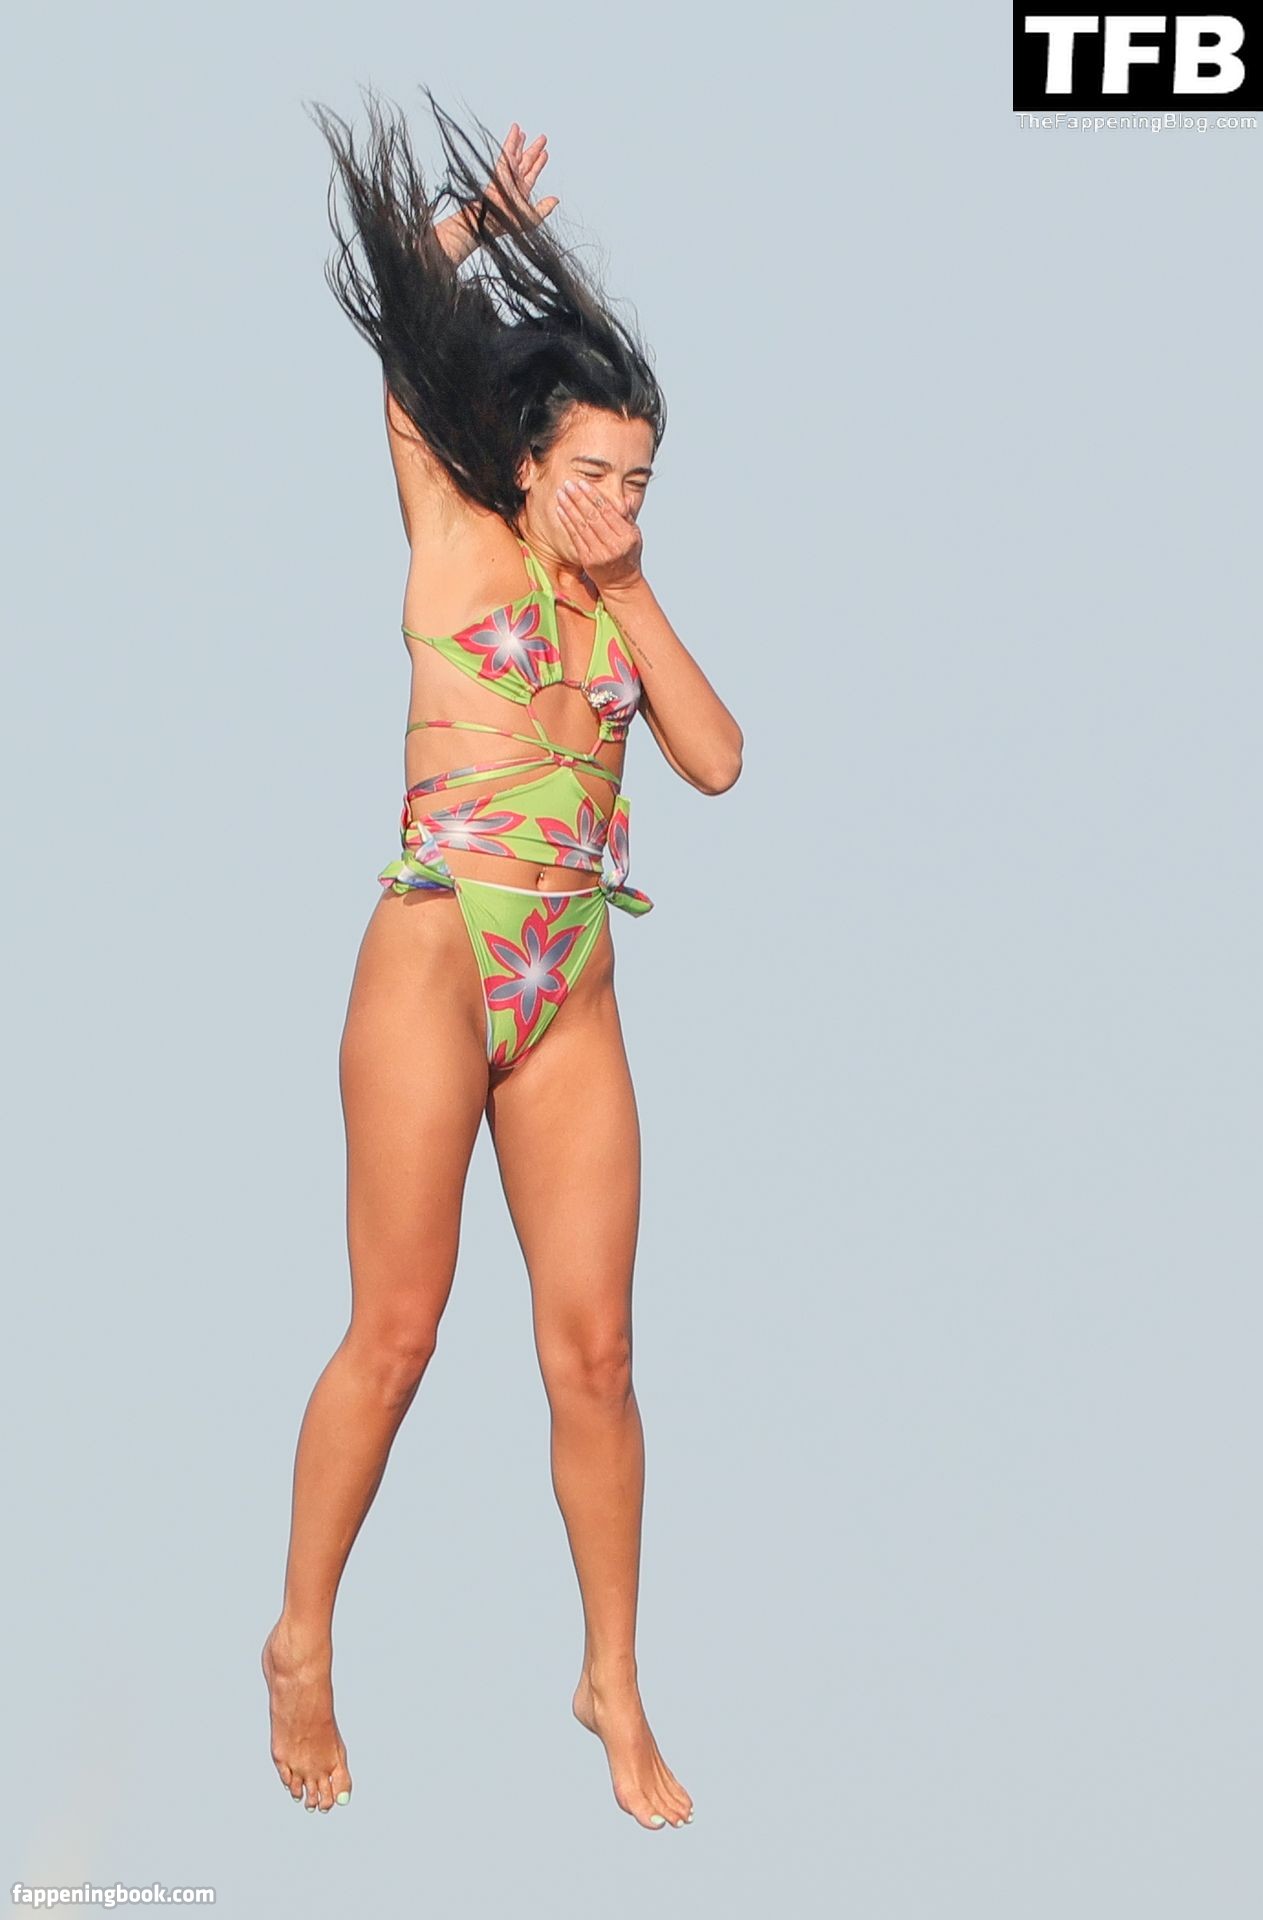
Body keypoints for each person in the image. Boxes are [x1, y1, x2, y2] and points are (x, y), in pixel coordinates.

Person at [261, 86, 742, 1831]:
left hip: (571, 986)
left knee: (594, 1355)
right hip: (437, 949)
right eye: (593, 472)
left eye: (640, 480)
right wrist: (468, 234)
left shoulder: (622, 598)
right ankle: (302, 1636)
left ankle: (612, 1678)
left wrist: (634, 584)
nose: (616, 499)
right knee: (398, 1331)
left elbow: (715, 760)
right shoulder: (455, 538)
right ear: (527, 462)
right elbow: (407, 355)